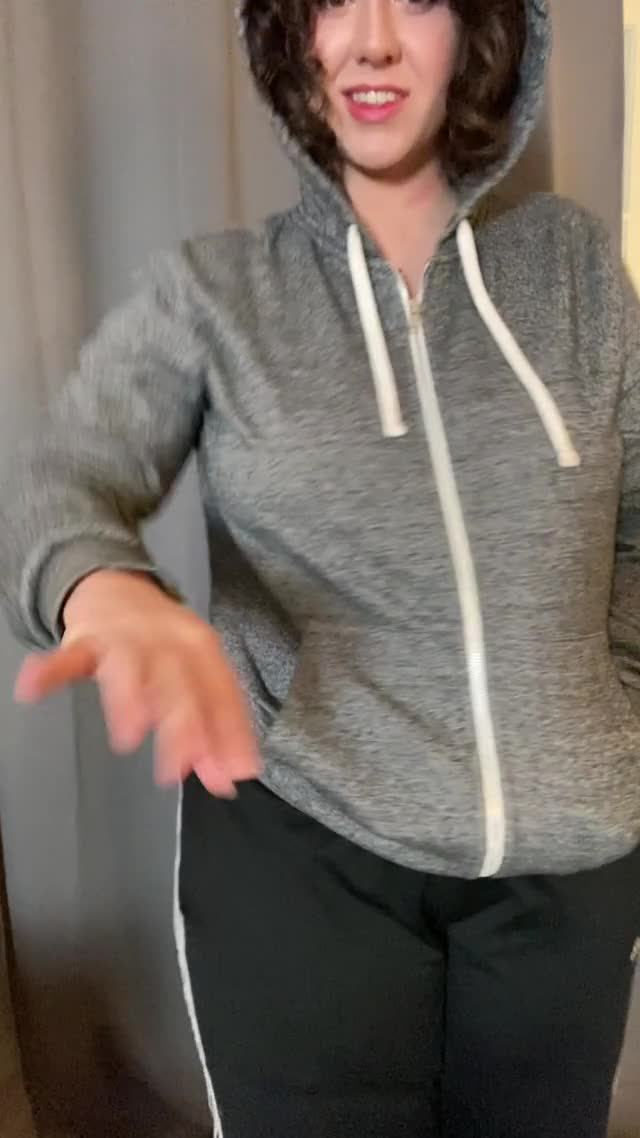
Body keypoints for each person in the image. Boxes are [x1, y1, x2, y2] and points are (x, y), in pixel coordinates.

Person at [1, 0, 639, 1134]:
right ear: (291, 37)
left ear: (483, 31)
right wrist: (109, 592)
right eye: (335, 1)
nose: (373, 39)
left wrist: (615, 718)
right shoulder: (212, 294)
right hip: (307, 859)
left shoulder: (576, 270)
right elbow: (62, 484)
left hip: (562, 880)